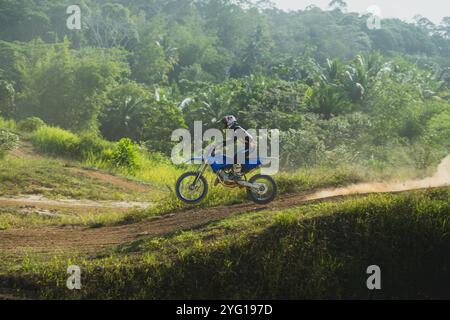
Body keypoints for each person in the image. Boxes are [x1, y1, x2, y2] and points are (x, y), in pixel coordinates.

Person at [219, 115, 256, 181]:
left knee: (237, 156)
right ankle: (232, 173)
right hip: (248, 146)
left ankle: (238, 176)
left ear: (230, 122)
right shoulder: (235, 129)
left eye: (225, 123)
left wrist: (221, 144)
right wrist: (221, 144)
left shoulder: (237, 128)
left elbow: (233, 140)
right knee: (234, 157)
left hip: (251, 146)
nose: (224, 125)